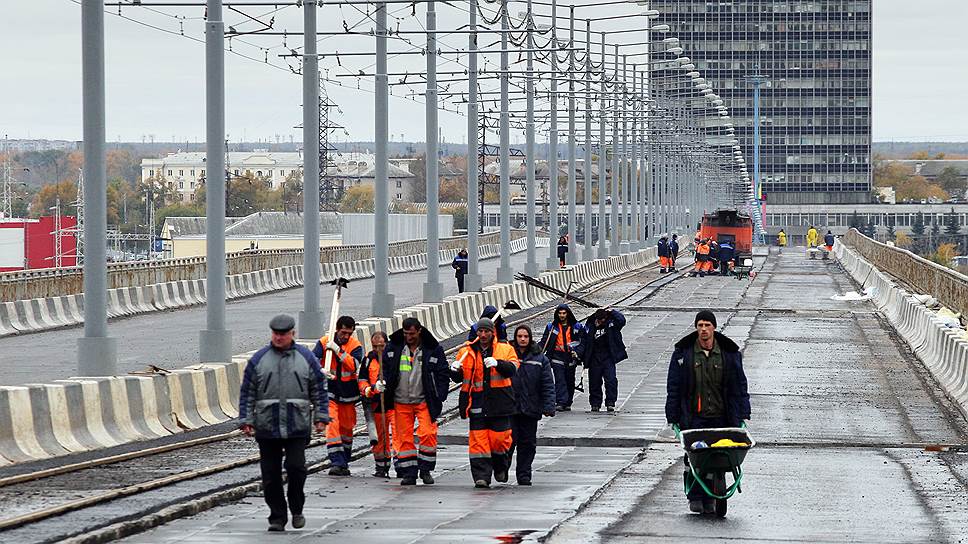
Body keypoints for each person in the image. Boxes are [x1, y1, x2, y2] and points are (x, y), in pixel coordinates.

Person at [239, 314, 328, 532]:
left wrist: (321, 416)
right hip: (267, 426)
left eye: (283, 334)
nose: (279, 337)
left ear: (292, 334)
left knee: (296, 468)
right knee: (270, 475)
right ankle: (277, 517)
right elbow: (247, 392)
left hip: (297, 424)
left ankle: (296, 508)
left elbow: (318, 388)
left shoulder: (306, 358)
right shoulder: (259, 359)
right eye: (276, 334)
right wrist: (246, 419)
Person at [665, 310, 751, 515]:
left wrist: (743, 411)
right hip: (694, 415)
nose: (703, 329)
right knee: (695, 457)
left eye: (707, 325)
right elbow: (674, 386)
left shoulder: (728, 354)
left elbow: (740, 384)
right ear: (696, 327)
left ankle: (712, 495)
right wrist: (672, 415)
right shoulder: (683, 354)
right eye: (700, 325)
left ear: (714, 327)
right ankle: (695, 495)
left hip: (722, 415)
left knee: (718, 457)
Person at [382, 317, 451, 485]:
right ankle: (409, 473)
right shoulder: (394, 347)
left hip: (424, 401)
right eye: (406, 333)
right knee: (404, 438)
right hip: (401, 401)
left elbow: (443, 373)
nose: (408, 337)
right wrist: (382, 383)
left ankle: (425, 469)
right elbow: (385, 367)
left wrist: (439, 395)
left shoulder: (432, 349)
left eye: (411, 334)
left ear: (419, 331)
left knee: (427, 434)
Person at [452, 317, 519, 488]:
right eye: (480, 331)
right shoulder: (466, 351)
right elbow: (460, 377)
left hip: (500, 402)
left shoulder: (505, 349)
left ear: (492, 332)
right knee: (478, 442)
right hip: (477, 402)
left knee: (500, 439)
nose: (483, 335)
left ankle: (500, 466)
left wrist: (498, 364)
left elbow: (513, 368)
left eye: (486, 331)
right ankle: (481, 476)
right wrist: (454, 370)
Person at [312, 316, 364, 476]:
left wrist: (338, 350)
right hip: (329, 392)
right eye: (343, 332)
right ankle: (336, 461)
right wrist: (319, 370)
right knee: (332, 425)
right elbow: (313, 360)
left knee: (347, 429)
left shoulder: (355, 345)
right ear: (337, 329)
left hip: (348, 394)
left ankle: (344, 461)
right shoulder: (324, 342)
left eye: (349, 333)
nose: (346, 336)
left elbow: (354, 365)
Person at [509, 324, 556, 485]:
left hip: (530, 408)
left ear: (530, 338)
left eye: (525, 336)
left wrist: (549, 406)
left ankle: (524, 475)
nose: (522, 339)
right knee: (507, 440)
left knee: (527, 443)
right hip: (510, 408)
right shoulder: (508, 354)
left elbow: (548, 384)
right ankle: (502, 466)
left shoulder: (540, 358)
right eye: (519, 336)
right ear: (515, 338)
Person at [358, 331, 394, 478]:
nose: (378, 349)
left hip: (394, 403)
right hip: (376, 404)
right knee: (379, 437)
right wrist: (370, 389)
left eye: (381, 346)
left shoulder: (394, 358)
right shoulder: (369, 359)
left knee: (398, 436)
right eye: (375, 346)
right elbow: (362, 379)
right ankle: (381, 466)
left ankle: (402, 466)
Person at [579, 308, 627, 412]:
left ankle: (610, 402)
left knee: (611, 380)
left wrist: (612, 311)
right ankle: (595, 403)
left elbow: (622, 320)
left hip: (608, 357)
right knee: (594, 382)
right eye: (599, 320)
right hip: (594, 358)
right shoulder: (590, 326)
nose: (601, 322)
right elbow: (584, 341)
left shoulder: (611, 325)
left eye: (603, 319)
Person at [539, 303, 584, 412]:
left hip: (570, 357)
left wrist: (578, 353)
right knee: (560, 380)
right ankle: (560, 402)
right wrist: (536, 351)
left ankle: (568, 402)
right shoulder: (552, 328)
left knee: (570, 380)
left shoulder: (576, 327)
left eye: (564, 313)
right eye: (560, 313)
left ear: (568, 314)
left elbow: (582, 342)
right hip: (556, 357)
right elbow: (545, 341)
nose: (562, 315)